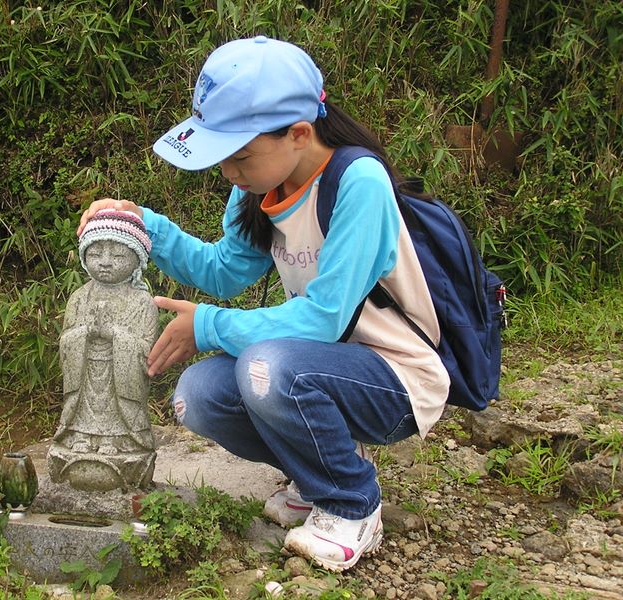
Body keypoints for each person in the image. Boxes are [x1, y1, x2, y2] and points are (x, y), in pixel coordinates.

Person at [76, 36, 449, 571]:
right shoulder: (261, 185)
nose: (229, 172)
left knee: (265, 368)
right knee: (197, 396)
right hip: (317, 368)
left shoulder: (358, 181)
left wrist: (207, 327)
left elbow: (323, 317)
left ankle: (352, 505)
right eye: (222, 159)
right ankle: (317, 470)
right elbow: (223, 272)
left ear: (299, 133)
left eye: (239, 156)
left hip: (396, 378)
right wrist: (144, 225)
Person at [52, 209, 159, 491]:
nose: (106, 263)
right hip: (86, 372)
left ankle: (118, 439)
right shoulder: (78, 297)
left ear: (136, 259)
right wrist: (85, 333)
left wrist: (114, 335)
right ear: (85, 258)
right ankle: (82, 436)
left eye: (118, 255)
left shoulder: (142, 302)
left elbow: (145, 349)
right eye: (97, 254)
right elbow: (65, 341)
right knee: (86, 403)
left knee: (115, 404)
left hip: (120, 378)